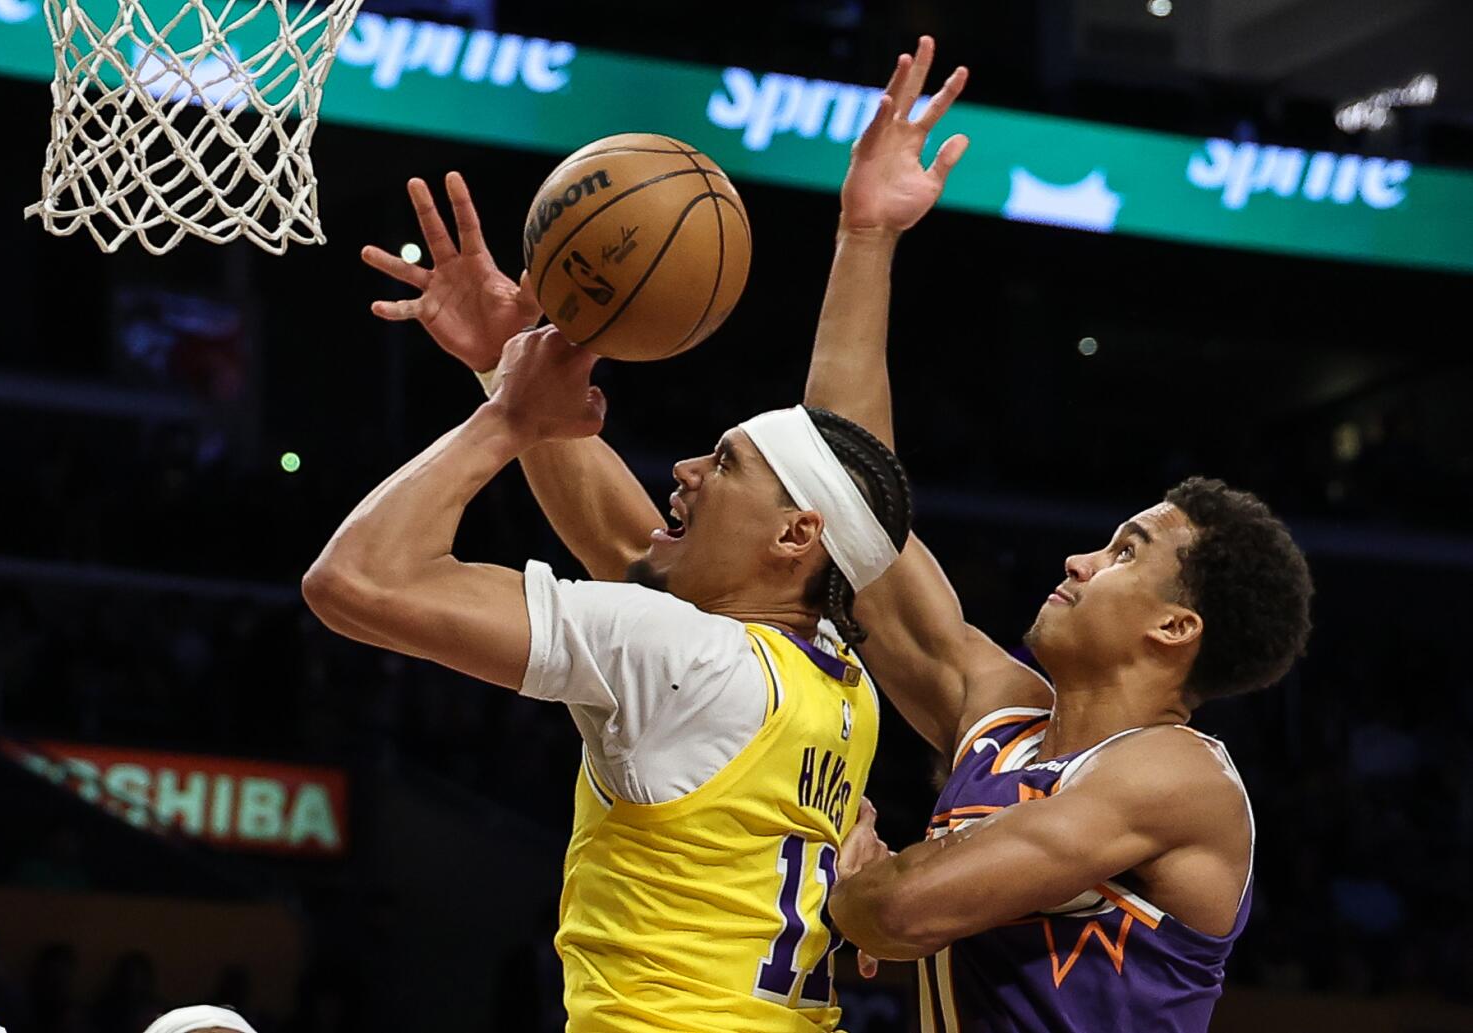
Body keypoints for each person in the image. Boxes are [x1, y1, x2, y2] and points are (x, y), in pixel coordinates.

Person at [306, 48, 967, 1029]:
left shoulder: (682, 655)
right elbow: (630, 539)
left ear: (797, 534)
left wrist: (507, 417)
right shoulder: (838, 679)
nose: (684, 471)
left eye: (725, 464)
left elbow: (354, 581)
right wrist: (504, 360)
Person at [785, 46, 1316, 1033]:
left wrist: (862, 878)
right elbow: (851, 496)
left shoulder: (1180, 778)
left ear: (1174, 627)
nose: (1079, 560)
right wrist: (866, 238)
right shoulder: (1002, 717)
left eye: (1125, 552)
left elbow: (901, 911)